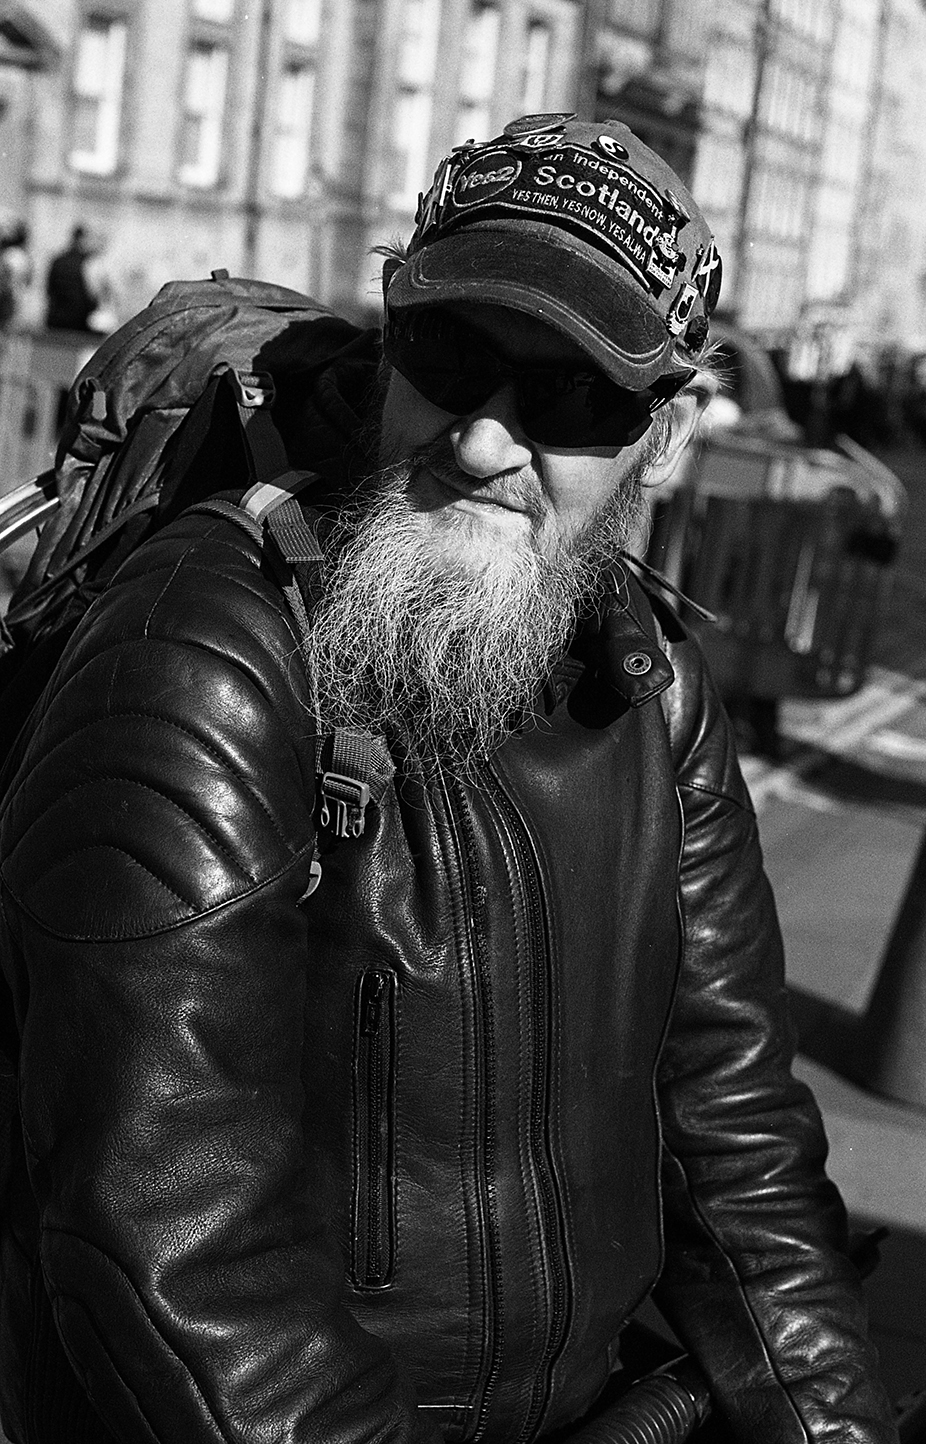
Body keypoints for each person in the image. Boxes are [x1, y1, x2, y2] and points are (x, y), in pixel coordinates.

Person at [0, 115, 896, 1443]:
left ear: (670, 430)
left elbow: (731, 1129)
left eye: (577, 395)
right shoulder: (209, 655)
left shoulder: (650, 688)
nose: (481, 442)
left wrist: (831, 1421)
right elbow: (172, 1255)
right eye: (447, 355)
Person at [44, 223, 102, 331]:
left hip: (56, 319)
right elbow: (93, 295)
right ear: (82, 240)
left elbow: (49, 290)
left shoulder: (58, 261)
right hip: (79, 322)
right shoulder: (88, 263)